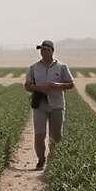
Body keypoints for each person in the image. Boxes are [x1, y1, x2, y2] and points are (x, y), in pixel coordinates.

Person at [24, 40, 75, 170]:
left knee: (56, 135)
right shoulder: (33, 67)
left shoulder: (62, 67)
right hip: (40, 105)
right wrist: (38, 88)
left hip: (57, 105)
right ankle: (41, 159)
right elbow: (27, 85)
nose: (43, 52)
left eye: (46, 49)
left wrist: (55, 85)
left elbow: (71, 84)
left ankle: (54, 160)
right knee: (39, 134)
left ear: (52, 51)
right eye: (41, 49)